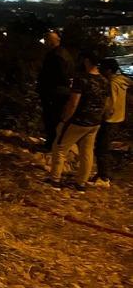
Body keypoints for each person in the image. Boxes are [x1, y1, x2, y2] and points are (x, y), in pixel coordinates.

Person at [47, 51, 110, 192]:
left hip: (79, 121)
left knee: (60, 147)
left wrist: (65, 119)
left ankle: (55, 181)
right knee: (87, 152)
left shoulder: (81, 79)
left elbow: (73, 103)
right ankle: (81, 184)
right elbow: (106, 103)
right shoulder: (105, 81)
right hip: (95, 122)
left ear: (86, 60)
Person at [92, 59, 131, 187]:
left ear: (108, 70)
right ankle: (102, 174)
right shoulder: (121, 81)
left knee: (101, 148)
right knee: (104, 147)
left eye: (102, 68)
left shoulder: (112, 83)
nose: (100, 70)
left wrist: (102, 115)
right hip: (118, 118)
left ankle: (104, 177)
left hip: (109, 120)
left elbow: (110, 103)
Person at [36, 32, 73, 151]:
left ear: (50, 42)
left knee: (51, 119)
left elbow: (59, 75)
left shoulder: (55, 56)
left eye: (46, 41)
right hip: (60, 92)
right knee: (56, 119)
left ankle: (51, 145)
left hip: (54, 92)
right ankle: (55, 143)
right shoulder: (65, 53)